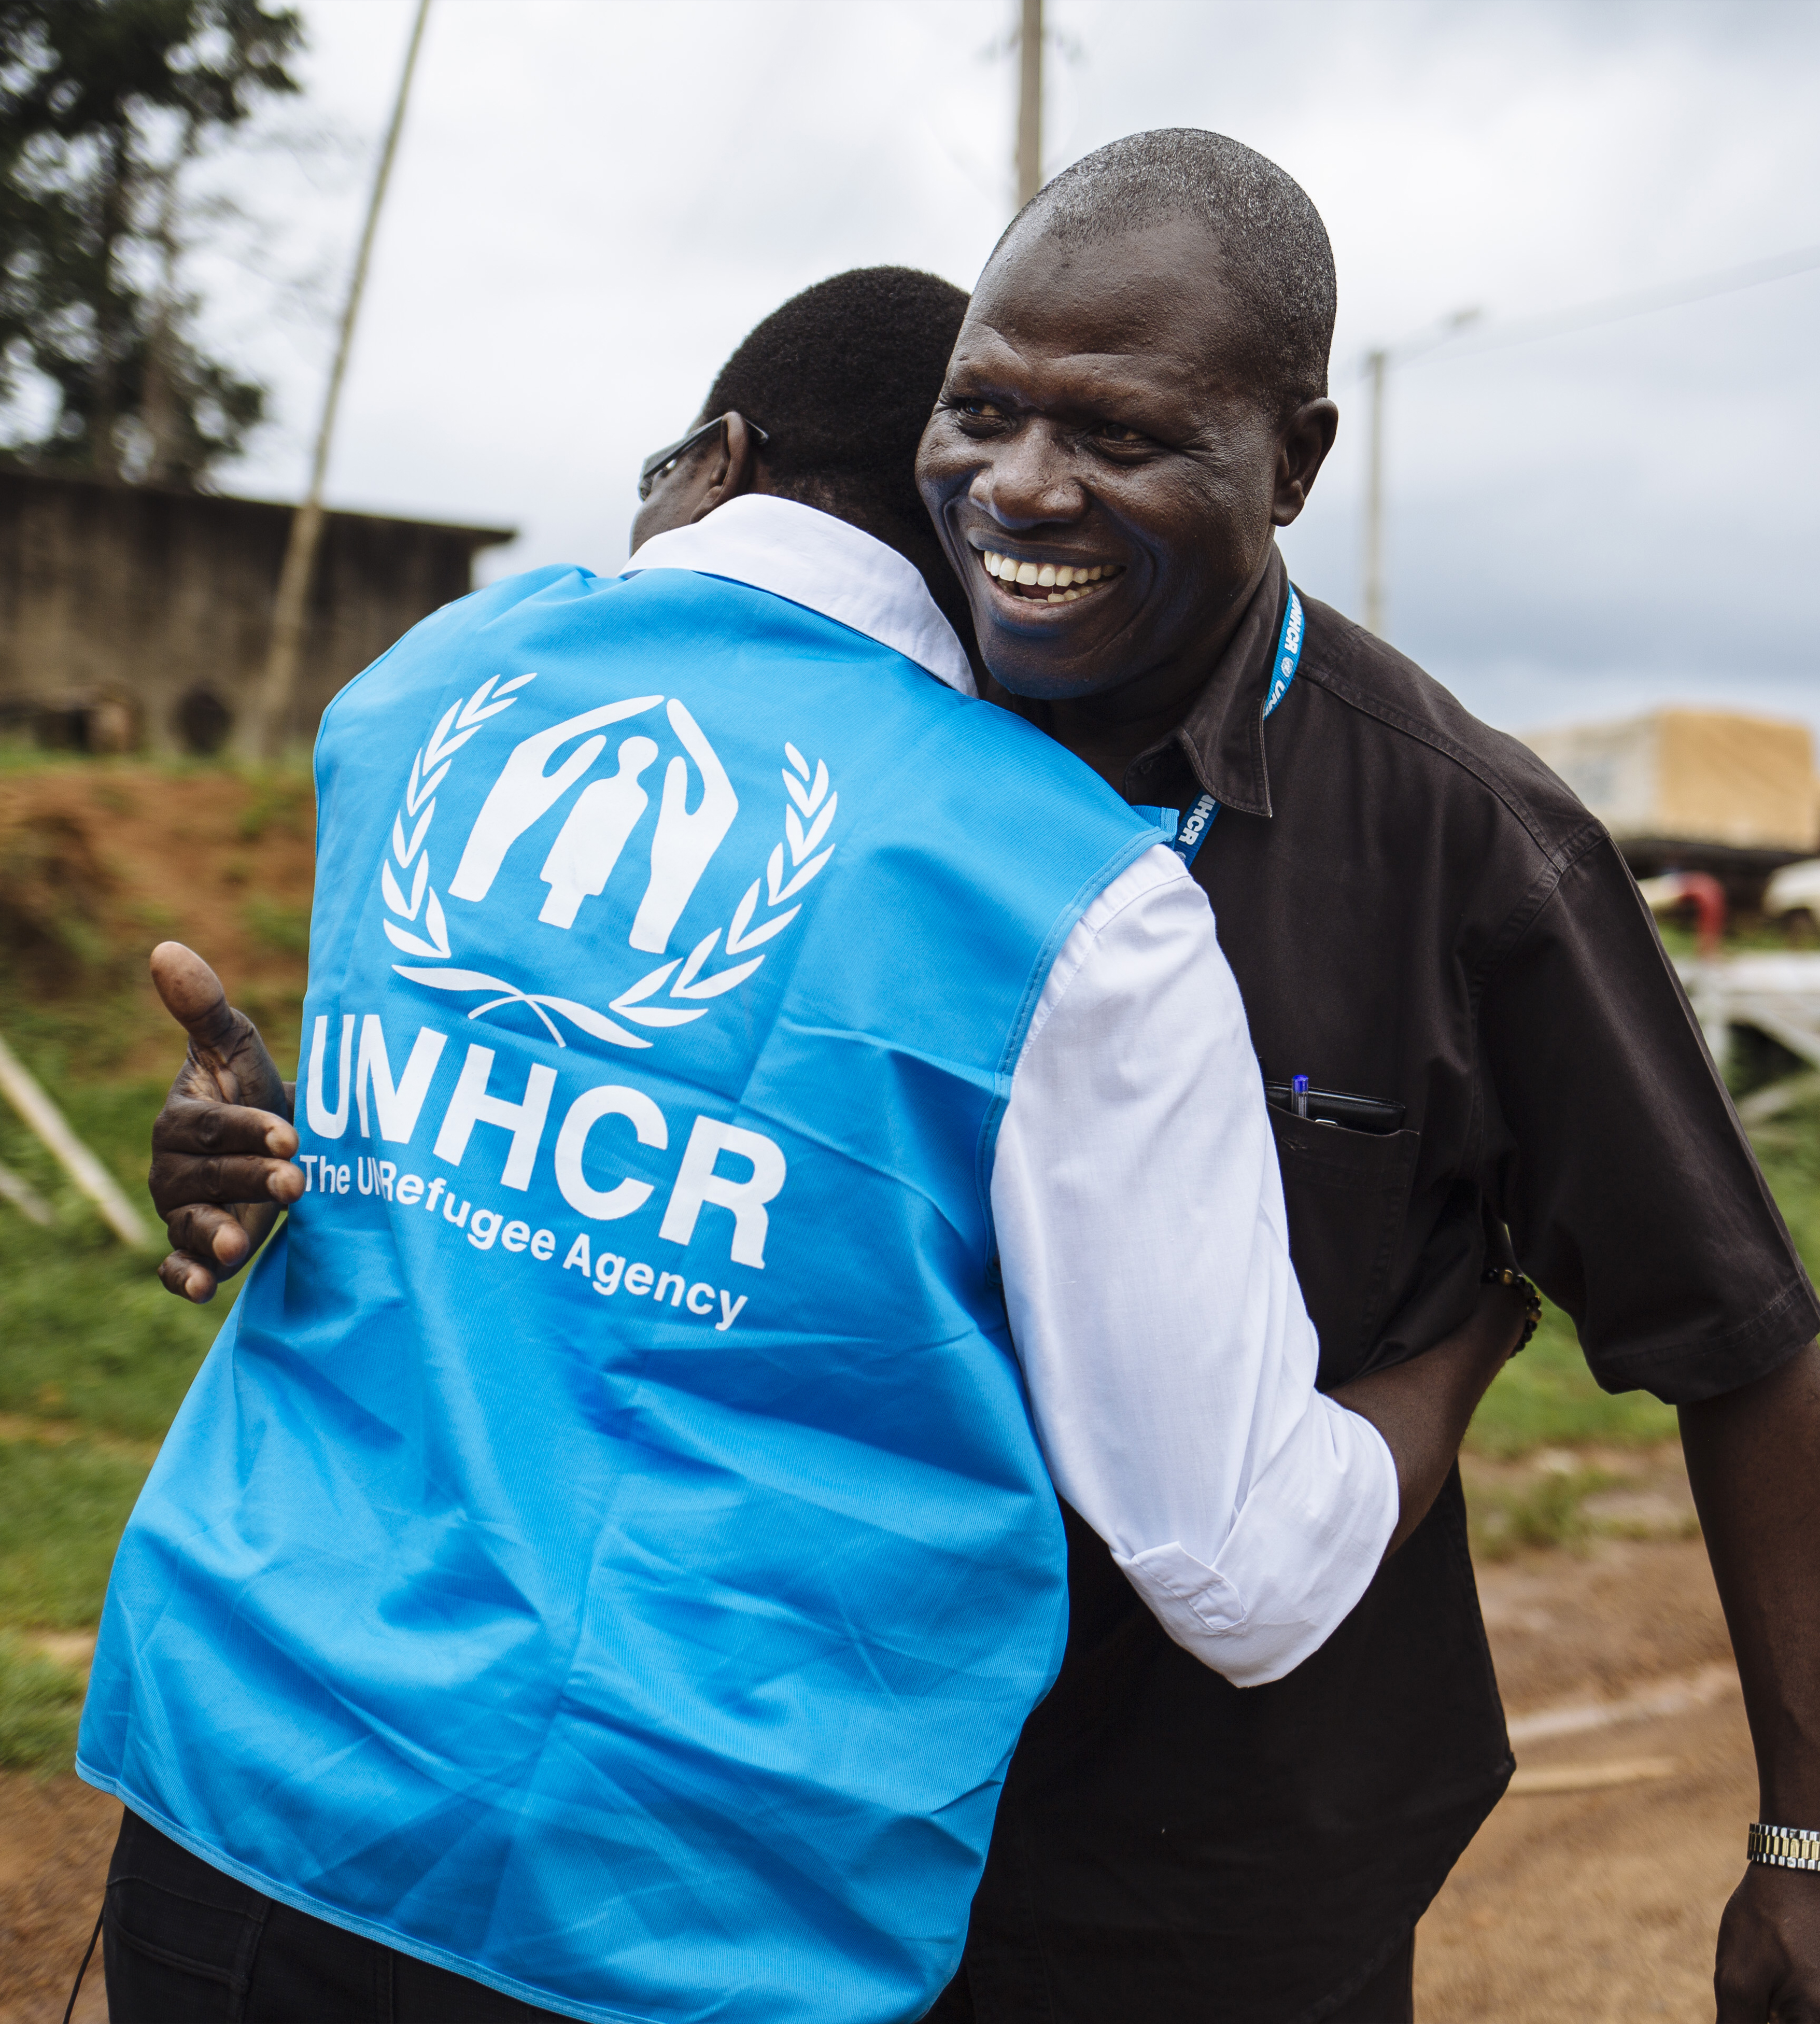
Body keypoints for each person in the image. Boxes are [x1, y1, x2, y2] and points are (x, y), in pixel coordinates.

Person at [93, 267, 1526, 2024]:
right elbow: (1240, 1569)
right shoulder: (1073, 894)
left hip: (241, 1773)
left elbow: (489, 1159)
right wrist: (1471, 1340)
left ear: (713, 458)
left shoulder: (425, 696)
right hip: (681, 1910)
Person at [903, 130, 1820, 2024]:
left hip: (1227, 1885)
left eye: (1121, 436)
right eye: (980, 408)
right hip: (821, 1820)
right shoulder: (858, 736)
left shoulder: (1475, 854)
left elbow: (1739, 1345)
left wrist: (1818, 1850)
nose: (1017, 489)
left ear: (1291, 464)